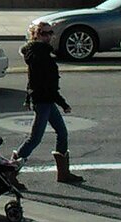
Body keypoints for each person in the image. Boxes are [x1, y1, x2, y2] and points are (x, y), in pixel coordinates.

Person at [12, 21, 84, 185]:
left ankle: (63, 173)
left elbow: (34, 80)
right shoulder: (38, 54)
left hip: (46, 99)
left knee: (62, 132)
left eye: (50, 32)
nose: (49, 36)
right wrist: (63, 103)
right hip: (44, 100)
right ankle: (10, 171)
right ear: (36, 34)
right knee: (35, 139)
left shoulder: (39, 52)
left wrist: (30, 97)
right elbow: (43, 83)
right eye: (44, 33)